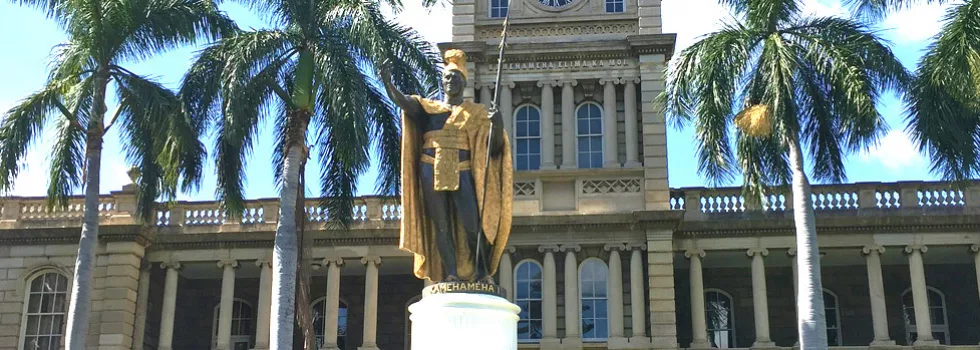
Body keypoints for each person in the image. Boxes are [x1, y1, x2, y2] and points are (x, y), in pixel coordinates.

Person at [379, 49, 513, 284]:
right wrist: (389, 84)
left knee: (472, 224)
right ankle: (450, 271)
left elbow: (493, 149)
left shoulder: (476, 113)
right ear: (442, 82)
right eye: (447, 78)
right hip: (431, 168)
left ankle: (482, 272)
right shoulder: (430, 108)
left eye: (456, 78)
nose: (451, 81)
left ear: (463, 82)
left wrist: (497, 123)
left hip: (463, 170)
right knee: (440, 225)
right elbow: (406, 103)